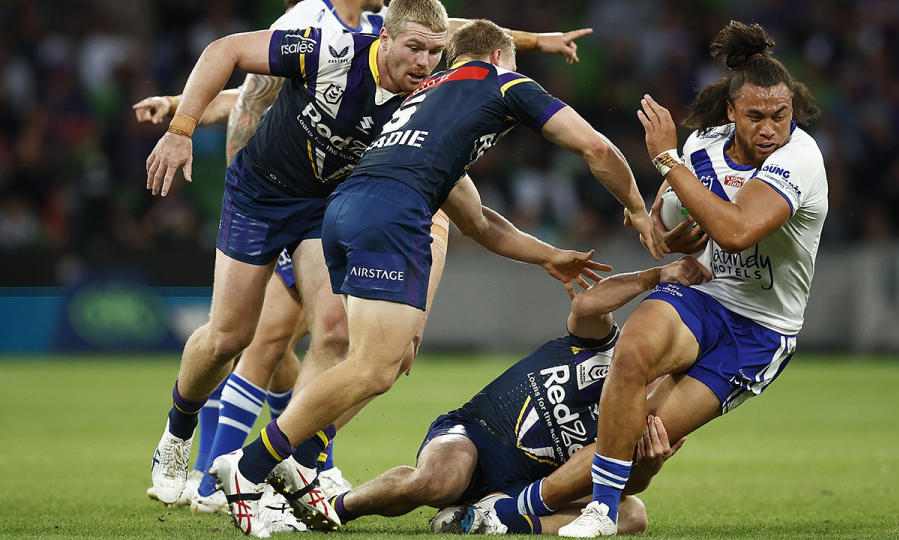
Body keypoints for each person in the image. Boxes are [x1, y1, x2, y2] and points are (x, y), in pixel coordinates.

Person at [210, 18, 666, 536]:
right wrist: (635, 207)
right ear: (497, 57)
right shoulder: (501, 81)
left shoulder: (427, 101)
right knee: (374, 367)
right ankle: (249, 467)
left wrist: (546, 256)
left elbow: (480, 221)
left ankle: (303, 453)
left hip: (344, 211)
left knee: (388, 355)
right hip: (393, 215)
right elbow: (598, 149)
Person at [138, 0, 596, 516]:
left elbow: (473, 211)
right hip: (259, 196)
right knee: (229, 337)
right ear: (384, 39)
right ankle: (178, 433)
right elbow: (227, 52)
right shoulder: (330, 48)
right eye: (414, 48)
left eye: (434, 52)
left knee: (336, 331)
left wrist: (534, 42)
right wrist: (181, 129)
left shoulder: (421, 100)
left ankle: (287, 463)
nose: (425, 62)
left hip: (324, 207)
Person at [541, 21, 826, 537]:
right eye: (756, 116)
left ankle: (506, 511)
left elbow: (736, 232)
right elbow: (670, 227)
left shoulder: (800, 158)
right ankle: (601, 513)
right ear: (730, 113)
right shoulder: (703, 145)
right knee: (632, 351)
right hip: (704, 295)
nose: (770, 129)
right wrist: (669, 237)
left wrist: (668, 162)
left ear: (793, 112)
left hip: (761, 330)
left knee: (643, 436)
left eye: (780, 116)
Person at [322, 256, 709, 535]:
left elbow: (620, 482)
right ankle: (335, 508)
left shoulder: (659, 413)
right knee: (439, 480)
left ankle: (491, 522)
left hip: (527, 488)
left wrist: (648, 466)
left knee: (633, 515)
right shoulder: (605, 343)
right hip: (477, 434)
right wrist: (656, 275)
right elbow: (586, 304)